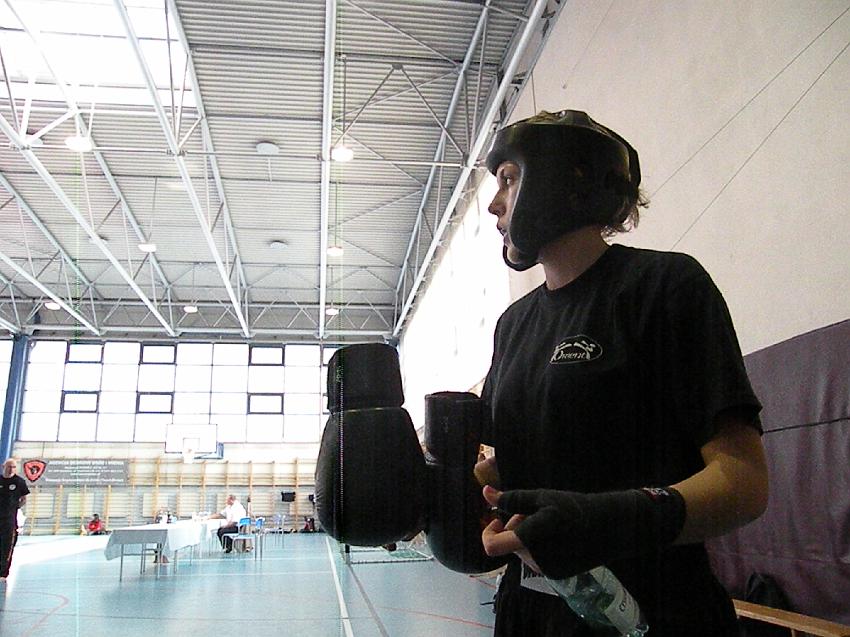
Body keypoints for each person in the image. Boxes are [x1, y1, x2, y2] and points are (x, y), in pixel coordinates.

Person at [476, 110, 769, 636]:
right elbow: (512, 468)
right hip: (531, 612)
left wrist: (606, 522)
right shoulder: (513, 325)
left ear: (561, 177)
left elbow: (744, 483)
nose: (494, 204)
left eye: (509, 179)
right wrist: (429, 485)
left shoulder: (663, 285)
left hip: (653, 609)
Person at [0, 458, 30, 581]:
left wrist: (15, 507)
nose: (11, 469)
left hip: (9, 521)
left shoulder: (19, 482)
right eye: (9, 467)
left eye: (13, 467)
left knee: (7, 547)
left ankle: (3, 573)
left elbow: (24, 498)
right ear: (3, 467)